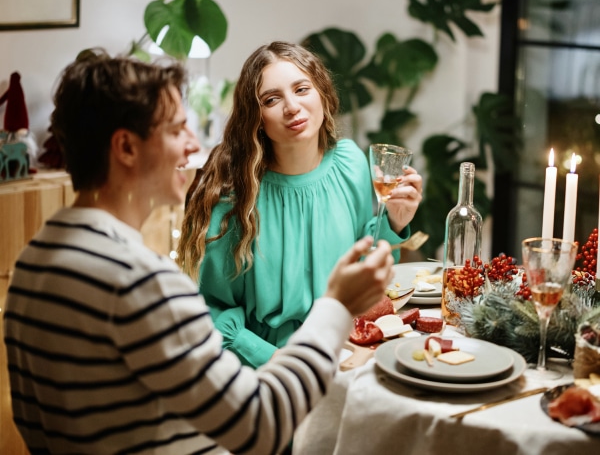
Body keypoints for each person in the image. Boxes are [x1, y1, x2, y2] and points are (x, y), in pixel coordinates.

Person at [3, 51, 395, 454]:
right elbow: (261, 425)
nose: (193, 143)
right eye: (176, 129)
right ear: (126, 148)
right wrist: (334, 307)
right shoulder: (144, 284)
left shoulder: (32, 262)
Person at [177, 41, 422, 368]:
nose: (292, 107)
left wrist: (393, 222)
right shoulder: (236, 194)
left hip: (350, 347)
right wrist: (275, 359)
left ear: (321, 93)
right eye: (271, 99)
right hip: (268, 367)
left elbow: (368, 270)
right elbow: (208, 309)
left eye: (302, 89)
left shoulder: (349, 161)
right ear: (256, 118)